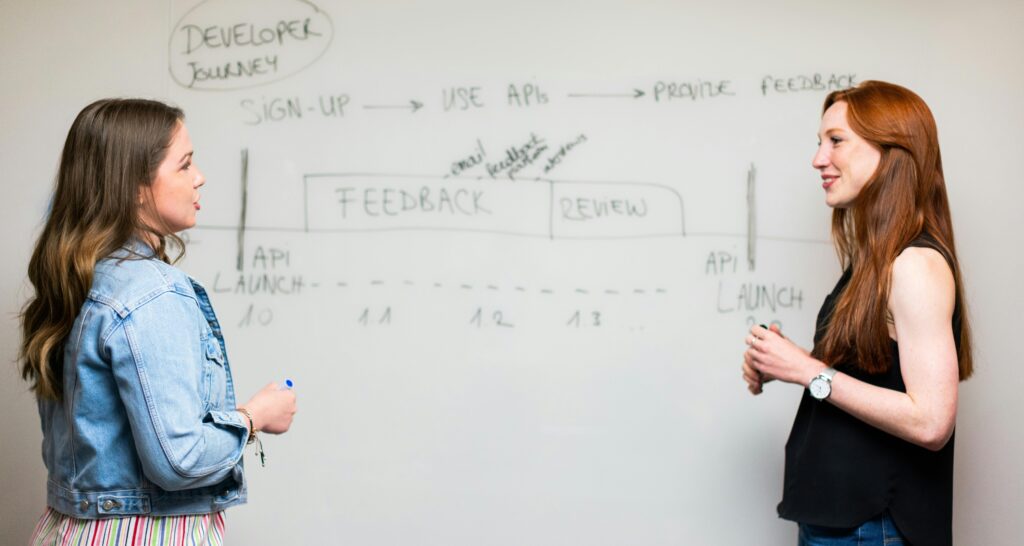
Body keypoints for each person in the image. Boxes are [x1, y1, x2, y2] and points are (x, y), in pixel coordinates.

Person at [19, 98, 297, 544]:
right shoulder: (152, 293)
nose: (199, 177)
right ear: (134, 187)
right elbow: (178, 460)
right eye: (184, 165)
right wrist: (254, 417)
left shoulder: (77, 279)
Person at [741, 81, 972, 546]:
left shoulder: (915, 266)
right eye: (819, 142)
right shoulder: (875, 262)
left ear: (892, 152)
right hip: (844, 524)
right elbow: (875, 376)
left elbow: (931, 422)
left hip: (872, 530)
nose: (818, 159)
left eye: (836, 140)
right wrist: (787, 364)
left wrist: (809, 372)